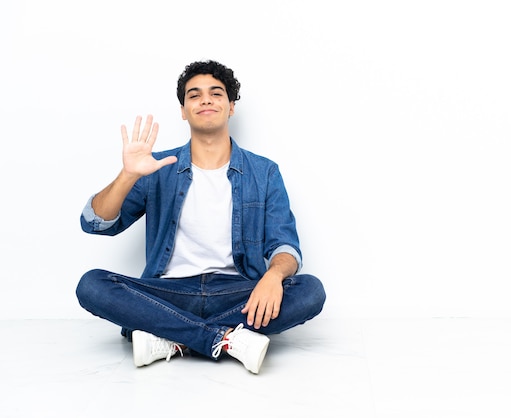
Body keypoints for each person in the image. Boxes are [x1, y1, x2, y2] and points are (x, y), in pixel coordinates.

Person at [76, 60, 326, 374]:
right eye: (194, 95)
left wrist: (273, 277)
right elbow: (96, 223)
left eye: (215, 93)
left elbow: (285, 248)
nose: (205, 100)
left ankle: (170, 336)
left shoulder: (264, 172)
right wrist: (127, 176)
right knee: (91, 285)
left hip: (236, 293)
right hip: (169, 293)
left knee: (310, 290)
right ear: (183, 110)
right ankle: (224, 338)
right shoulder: (157, 167)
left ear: (231, 106)